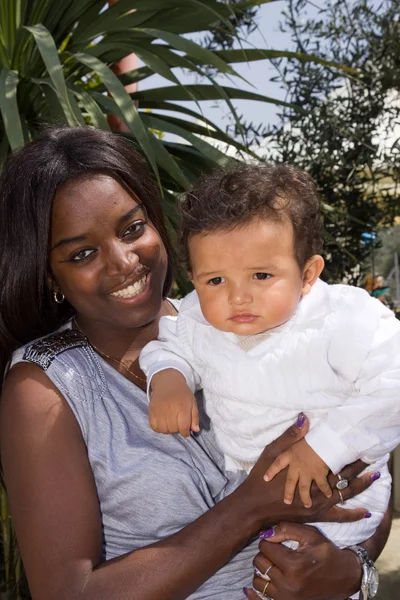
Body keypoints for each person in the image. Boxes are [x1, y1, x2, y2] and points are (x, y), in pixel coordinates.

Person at [0, 128, 390, 600]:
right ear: (50, 274)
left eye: (132, 229)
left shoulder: (239, 310)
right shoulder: (46, 387)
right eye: (82, 253)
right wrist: (249, 509)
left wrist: (352, 572)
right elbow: (67, 593)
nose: (124, 262)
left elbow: (365, 467)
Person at [140, 164, 400, 555]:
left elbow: (392, 383)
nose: (238, 296)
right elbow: (170, 344)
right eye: (215, 280)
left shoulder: (340, 319)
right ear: (193, 279)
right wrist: (169, 377)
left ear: (308, 274)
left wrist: (323, 448)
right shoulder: (197, 319)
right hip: (250, 492)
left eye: (261, 275)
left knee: (309, 573)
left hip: (339, 489)